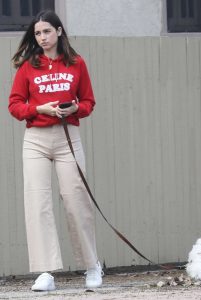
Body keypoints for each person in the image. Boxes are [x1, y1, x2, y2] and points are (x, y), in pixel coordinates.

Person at [8, 10, 103, 291]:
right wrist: (39, 108)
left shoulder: (76, 63)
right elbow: (15, 105)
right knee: (38, 203)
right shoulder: (29, 66)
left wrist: (75, 109)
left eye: (47, 31)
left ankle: (91, 265)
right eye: (37, 33)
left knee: (76, 200)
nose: (42, 37)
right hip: (35, 138)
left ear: (59, 32)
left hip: (67, 137)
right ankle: (45, 272)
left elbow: (88, 101)